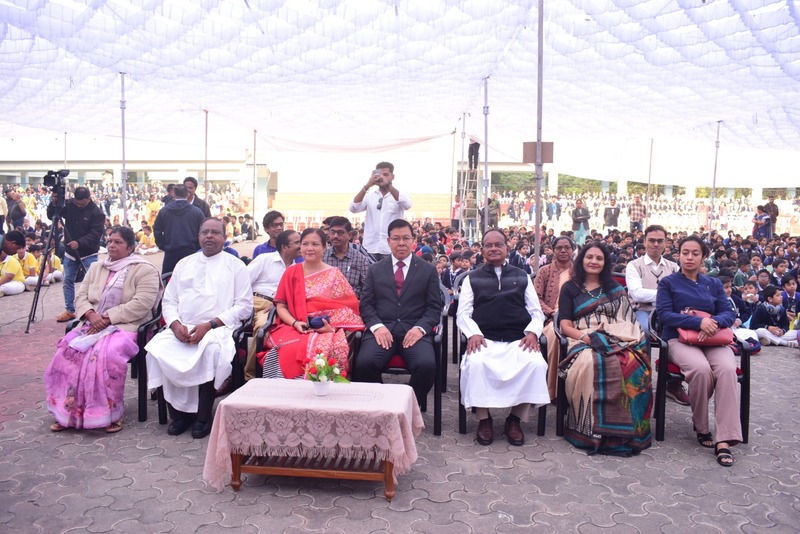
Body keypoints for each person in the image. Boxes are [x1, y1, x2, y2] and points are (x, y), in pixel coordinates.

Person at [43, 226, 161, 433]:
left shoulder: (144, 269)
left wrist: (107, 318)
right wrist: (91, 315)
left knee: (104, 354)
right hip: (92, 323)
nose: (112, 245)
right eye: (110, 241)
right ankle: (68, 411)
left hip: (127, 325)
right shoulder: (97, 267)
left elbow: (142, 304)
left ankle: (110, 412)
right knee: (67, 351)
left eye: (118, 242)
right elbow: (81, 297)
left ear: (130, 247)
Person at [146, 218, 253, 439]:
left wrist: (210, 324)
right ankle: (179, 416)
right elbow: (169, 301)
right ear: (198, 236)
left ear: (225, 237)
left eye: (215, 232)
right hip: (183, 327)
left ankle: (203, 417)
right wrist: (175, 324)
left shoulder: (236, 266)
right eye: (205, 232)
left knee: (210, 352)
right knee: (158, 350)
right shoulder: (184, 263)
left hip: (218, 327)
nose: (209, 236)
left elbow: (244, 307)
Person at [558, 241, 652, 456]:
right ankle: (594, 432)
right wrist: (586, 337)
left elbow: (628, 321)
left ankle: (629, 433)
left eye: (599, 258)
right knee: (593, 364)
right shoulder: (570, 288)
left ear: (605, 262)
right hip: (582, 338)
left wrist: (616, 338)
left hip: (620, 338)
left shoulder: (615, 289)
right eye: (589, 257)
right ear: (581, 260)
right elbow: (565, 326)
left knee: (633, 365)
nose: (594, 261)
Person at [458, 229, 549, 446]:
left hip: (517, 339)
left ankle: (515, 420)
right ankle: (484, 420)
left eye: (498, 244)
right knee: (476, 363)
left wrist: (532, 332)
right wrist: (473, 333)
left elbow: (536, 312)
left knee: (535, 364)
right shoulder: (472, 278)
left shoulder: (522, 276)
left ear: (507, 248)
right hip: (485, 339)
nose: (493, 248)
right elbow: (463, 313)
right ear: (482, 250)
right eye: (488, 245)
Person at [656, 235, 741, 467]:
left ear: (703, 257)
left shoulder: (713, 284)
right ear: (679, 255)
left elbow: (728, 313)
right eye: (685, 253)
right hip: (679, 339)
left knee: (727, 370)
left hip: (713, 338)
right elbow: (664, 315)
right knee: (701, 370)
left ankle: (724, 439)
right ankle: (702, 426)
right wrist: (698, 322)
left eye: (695, 253)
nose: (689, 257)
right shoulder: (668, 283)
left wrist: (713, 323)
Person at [354, 219, 442, 408]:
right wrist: (377, 327)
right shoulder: (375, 269)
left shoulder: (428, 270)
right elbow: (366, 305)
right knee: (364, 363)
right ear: (388, 241)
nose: (401, 243)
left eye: (406, 238)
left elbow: (434, 307)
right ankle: (381, 406)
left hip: (414, 332)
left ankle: (407, 408)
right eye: (396, 238)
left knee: (427, 366)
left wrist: (420, 328)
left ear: (413, 240)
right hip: (382, 331)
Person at [261, 228, 364, 380]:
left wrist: (331, 328)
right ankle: (284, 390)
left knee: (332, 347)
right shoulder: (291, 272)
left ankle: (318, 390)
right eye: (305, 244)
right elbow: (281, 306)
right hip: (294, 325)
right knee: (287, 348)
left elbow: (348, 310)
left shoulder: (334, 274)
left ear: (325, 247)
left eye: (315, 244)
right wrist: (295, 323)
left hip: (328, 328)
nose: (309, 248)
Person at [625, 224, 689, 405]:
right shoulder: (634, 265)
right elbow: (637, 294)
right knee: (643, 331)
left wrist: (665, 298)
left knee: (682, 332)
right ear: (644, 242)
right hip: (643, 310)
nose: (656, 244)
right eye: (651, 240)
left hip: (669, 312)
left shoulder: (674, 267)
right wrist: (667, 295)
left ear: (666, 243)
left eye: (660, 241)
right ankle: (642, 381)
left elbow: (682, 293)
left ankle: (673, 383)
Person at [243, 229, 301, 380]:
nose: (301, 246)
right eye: (297, 243)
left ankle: (257, 375)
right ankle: (242, 375)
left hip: (276, 307)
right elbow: (243, 282)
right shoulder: (265, 259)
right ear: (284, 247)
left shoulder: (297, 269)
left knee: (270, 330)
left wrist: (277, 302)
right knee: (259, 328)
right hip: (254, 301)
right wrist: (245, 304)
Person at [47, 187, 106, 322]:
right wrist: (54, 202)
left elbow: (96, 234)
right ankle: (70, 310)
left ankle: (92, 309)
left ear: (88, 199)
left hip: (88, 252)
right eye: (77, 203)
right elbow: (52, 215)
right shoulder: (70, 205)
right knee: (67, 280)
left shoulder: (97, 213)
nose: (78, 205)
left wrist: (79, 243)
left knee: (92, 282)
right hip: (70, 252)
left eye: (81, 203)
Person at [534, 236, 574, 401]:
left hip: (575, 317)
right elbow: (536, 298)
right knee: (555, 335)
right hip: (551, 318)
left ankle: (573, 392)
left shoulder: (580, 272)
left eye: (567, 247)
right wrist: (551, 313)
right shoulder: (544, 271)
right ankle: (553, 391)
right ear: (553, 250)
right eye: (559, 248)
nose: (563, 251)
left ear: (573, 250)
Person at [349, 162, 412, 261]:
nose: (382, 178)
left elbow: (407, 205)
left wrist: (389, 186)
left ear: (393, 177)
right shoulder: (369, 194)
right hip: (370, 247)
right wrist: (367, 186)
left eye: (386, 175)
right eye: (379, 175)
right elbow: (353, 208)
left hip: (391, 248)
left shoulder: (400, 194)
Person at [152, 184, 205, 275]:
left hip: (171, 252)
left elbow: (157, 229)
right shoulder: (196, 212)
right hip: (191, 252)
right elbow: (203, 230)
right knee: (190, 279)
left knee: (169, 279)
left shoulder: (164, 211)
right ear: (187, 194)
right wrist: (197, 246)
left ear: (174, 194)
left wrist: (163, 245)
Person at [322, 216, 369, 299]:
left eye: (340, 233)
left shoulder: (361, 260)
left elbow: (367, 289)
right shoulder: (322, 257)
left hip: (353, 303)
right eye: (332, 232)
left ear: (349, 235)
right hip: (326, 303)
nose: (335, 236)